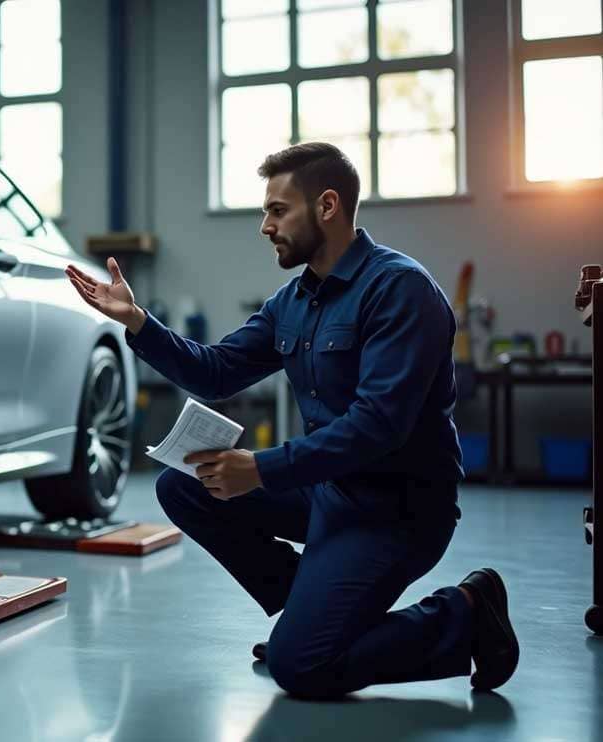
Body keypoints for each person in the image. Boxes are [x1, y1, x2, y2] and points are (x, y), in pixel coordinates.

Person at [65, 142, 518, 699]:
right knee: (184, 484)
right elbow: (218, 371)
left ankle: (464, 612)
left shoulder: (401, 290)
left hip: (397, 513)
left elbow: (378, 426)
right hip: (329, 495)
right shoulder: (293, 300)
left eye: (277, 210)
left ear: (327, 206)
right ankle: (311, 608)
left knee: (302, 668)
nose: (265, 226)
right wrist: (137, 322)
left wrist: (260, 468)